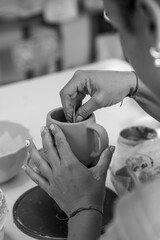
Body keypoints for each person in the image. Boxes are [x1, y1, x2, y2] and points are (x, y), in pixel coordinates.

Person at [22, 0, 160, 239]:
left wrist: (84, 208)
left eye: (114, 24)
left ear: (148, 16)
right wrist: (135, 84)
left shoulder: (148, 213)